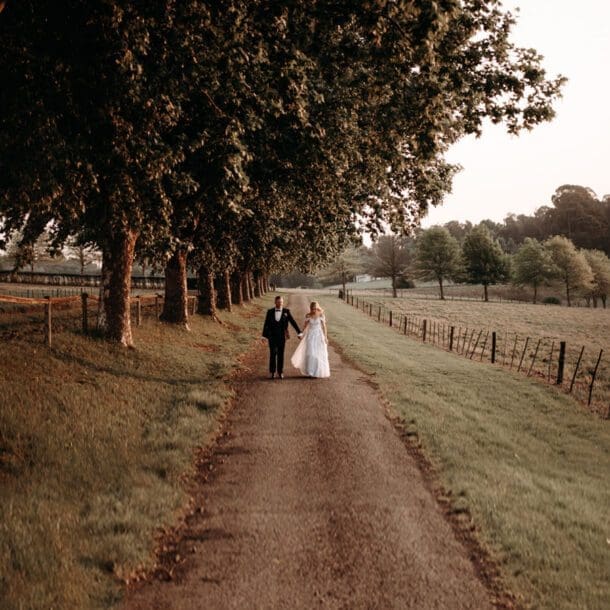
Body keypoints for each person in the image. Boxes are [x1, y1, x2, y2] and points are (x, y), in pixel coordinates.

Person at [262, 295, 302, 379]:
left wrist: (299, 332)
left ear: (282, 302)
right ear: (275, 302)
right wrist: (264, 336)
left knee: (281, 354)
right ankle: (272, 372)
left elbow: (293, 322)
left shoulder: (286, 311)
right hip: (272, 336)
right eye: (278, 302)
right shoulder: (270, 312)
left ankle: (280, 372)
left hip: (282, 336)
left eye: (281, 302)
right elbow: (266, 324)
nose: (280, 303)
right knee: (273, 354)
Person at [291, 301, 330, 378]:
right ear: (310, 308)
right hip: (310, 336)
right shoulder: (308, 316)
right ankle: (310, 372)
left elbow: (324, 327)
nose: (314, 310)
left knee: (318, 354)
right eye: (312, 309)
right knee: (310, 353)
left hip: (319, 336)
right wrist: (301, 334)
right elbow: (305, 326)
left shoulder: (321, 315)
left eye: (315, 309)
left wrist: (325, 337)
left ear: (317, 308)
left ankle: (316, 372)